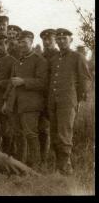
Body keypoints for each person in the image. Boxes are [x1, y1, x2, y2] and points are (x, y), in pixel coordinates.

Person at [48, 28, 91, 175]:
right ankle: (58, 165)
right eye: (58, 39)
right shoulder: (54, 59)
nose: (61, 41)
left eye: (64, 38)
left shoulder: (77, 57)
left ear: (70, 40)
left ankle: (66, 167)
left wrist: (76, 99)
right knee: (54, 132)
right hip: (53, 102)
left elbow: (85, 79)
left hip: (67, 101)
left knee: (64, 133)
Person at [3, 30, 48, 169]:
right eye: (20, 42)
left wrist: (24, 81)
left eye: (25, 42)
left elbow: (43, 83)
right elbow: (11, 83)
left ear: (32, 43)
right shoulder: (18, 61)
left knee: (31, 134)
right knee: (17, 134)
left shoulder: (39, 60)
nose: (22, 45)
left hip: (30, 105)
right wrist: (6, 101)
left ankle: (36, 165)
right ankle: (21, 164)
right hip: (15, 104)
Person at [39, 28, 58, 166]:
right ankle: (43, 159)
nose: (46, 42)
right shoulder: (41, 56)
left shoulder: (60, 55)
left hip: (57, 98)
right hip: (42, 98)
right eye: (44, 40)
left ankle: (59, 161)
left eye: (49, 39)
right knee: (43, 129)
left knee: (58, 130)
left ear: (54, 40)